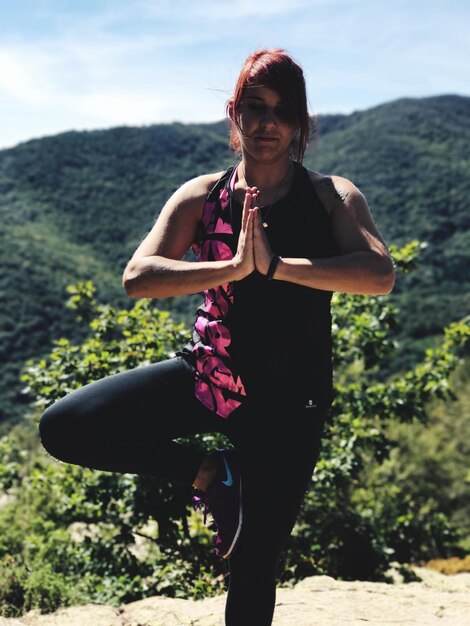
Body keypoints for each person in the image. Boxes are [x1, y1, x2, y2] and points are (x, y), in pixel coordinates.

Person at [39, 49, 395, 626]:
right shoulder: (204, 195)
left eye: (282, 112)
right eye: (255, 108)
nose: (267, 124)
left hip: (290, 405)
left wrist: (277, 265)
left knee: (254, 566)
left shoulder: (332, 196)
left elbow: (379, 275)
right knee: (65, 427)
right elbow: (138, 277)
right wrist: (229, 269)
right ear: (235, 113)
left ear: (301, 123)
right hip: (210, 378)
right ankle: (210, 471)